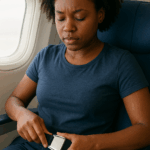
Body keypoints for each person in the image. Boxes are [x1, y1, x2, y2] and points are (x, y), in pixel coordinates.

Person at [3, 0, 150, 149]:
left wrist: (92, 143)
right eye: (60, 18)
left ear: (100, 15)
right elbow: (14, 100)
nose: (68, 27)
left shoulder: (121, 63)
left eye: (79, 17)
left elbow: (146, 129)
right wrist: (21, 114)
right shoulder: (45, 56)